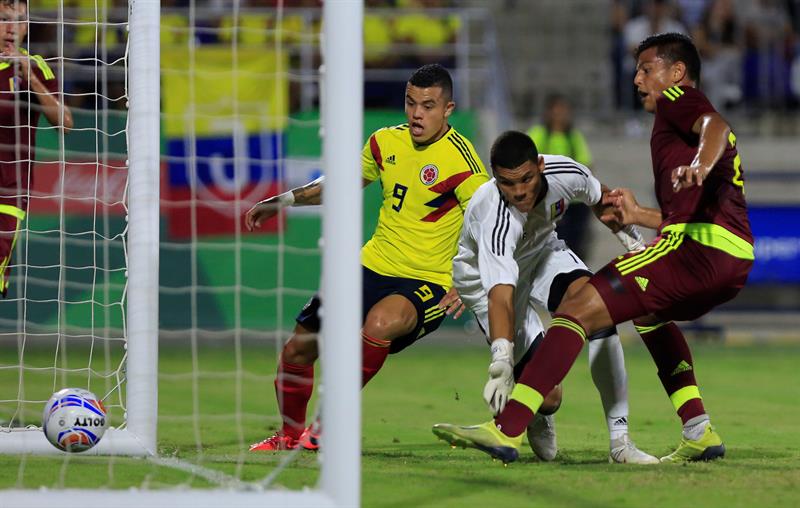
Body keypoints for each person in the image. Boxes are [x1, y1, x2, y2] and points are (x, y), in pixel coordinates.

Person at [432, 32, 753, 464]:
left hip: (697, 252)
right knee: (646, 314)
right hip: (727, 256)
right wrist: (639, 215)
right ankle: (698, 428)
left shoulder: (679, 97)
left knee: (579, 306)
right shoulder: (671, 128)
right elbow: (692, 215)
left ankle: (507, 430)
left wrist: (699, 164)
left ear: (676, 72)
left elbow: (717, 126)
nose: (637, 78)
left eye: (646, 69)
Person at [245, 64, 489, 451]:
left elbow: (489, 221)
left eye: (428, 106)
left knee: (380, 323)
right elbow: (338, 183)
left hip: (428, 281)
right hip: (370, 265)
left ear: (448, 109)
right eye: (411, 103)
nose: (416, 114)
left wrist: (470, 277)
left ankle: (329, 422)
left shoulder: (462, 159)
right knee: (298, 349)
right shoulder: (384, 142)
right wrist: (285, 200)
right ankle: (290, 437)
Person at [435, 130, 657, 464]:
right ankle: (539, 413)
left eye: (526, 178)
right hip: (484, 285)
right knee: (550, 397)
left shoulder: (566, 173)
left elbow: (602, 201)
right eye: (508, 184)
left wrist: (636, 246)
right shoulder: (493, 215)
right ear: (496, 180)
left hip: (543, 254)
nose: (519, 191)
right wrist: (501, 363)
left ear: (540, 165)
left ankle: (620, 442)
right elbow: (501, 296)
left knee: (599, 312)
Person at [0, 0, 73, 296]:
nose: (12, 29)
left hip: (7, 195)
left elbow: (65, 122)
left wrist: (29, 77)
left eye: (20, 21)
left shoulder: (35, 67)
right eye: (4, 19)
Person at [526, 94, 594, 260]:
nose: (561, 116)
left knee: (575, 246)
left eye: (564, 112)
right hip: (550, 202)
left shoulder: (573, 136)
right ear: (548, 113)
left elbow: (586, 164)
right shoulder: (539, 134)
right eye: (557, 112)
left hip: (574, 203)